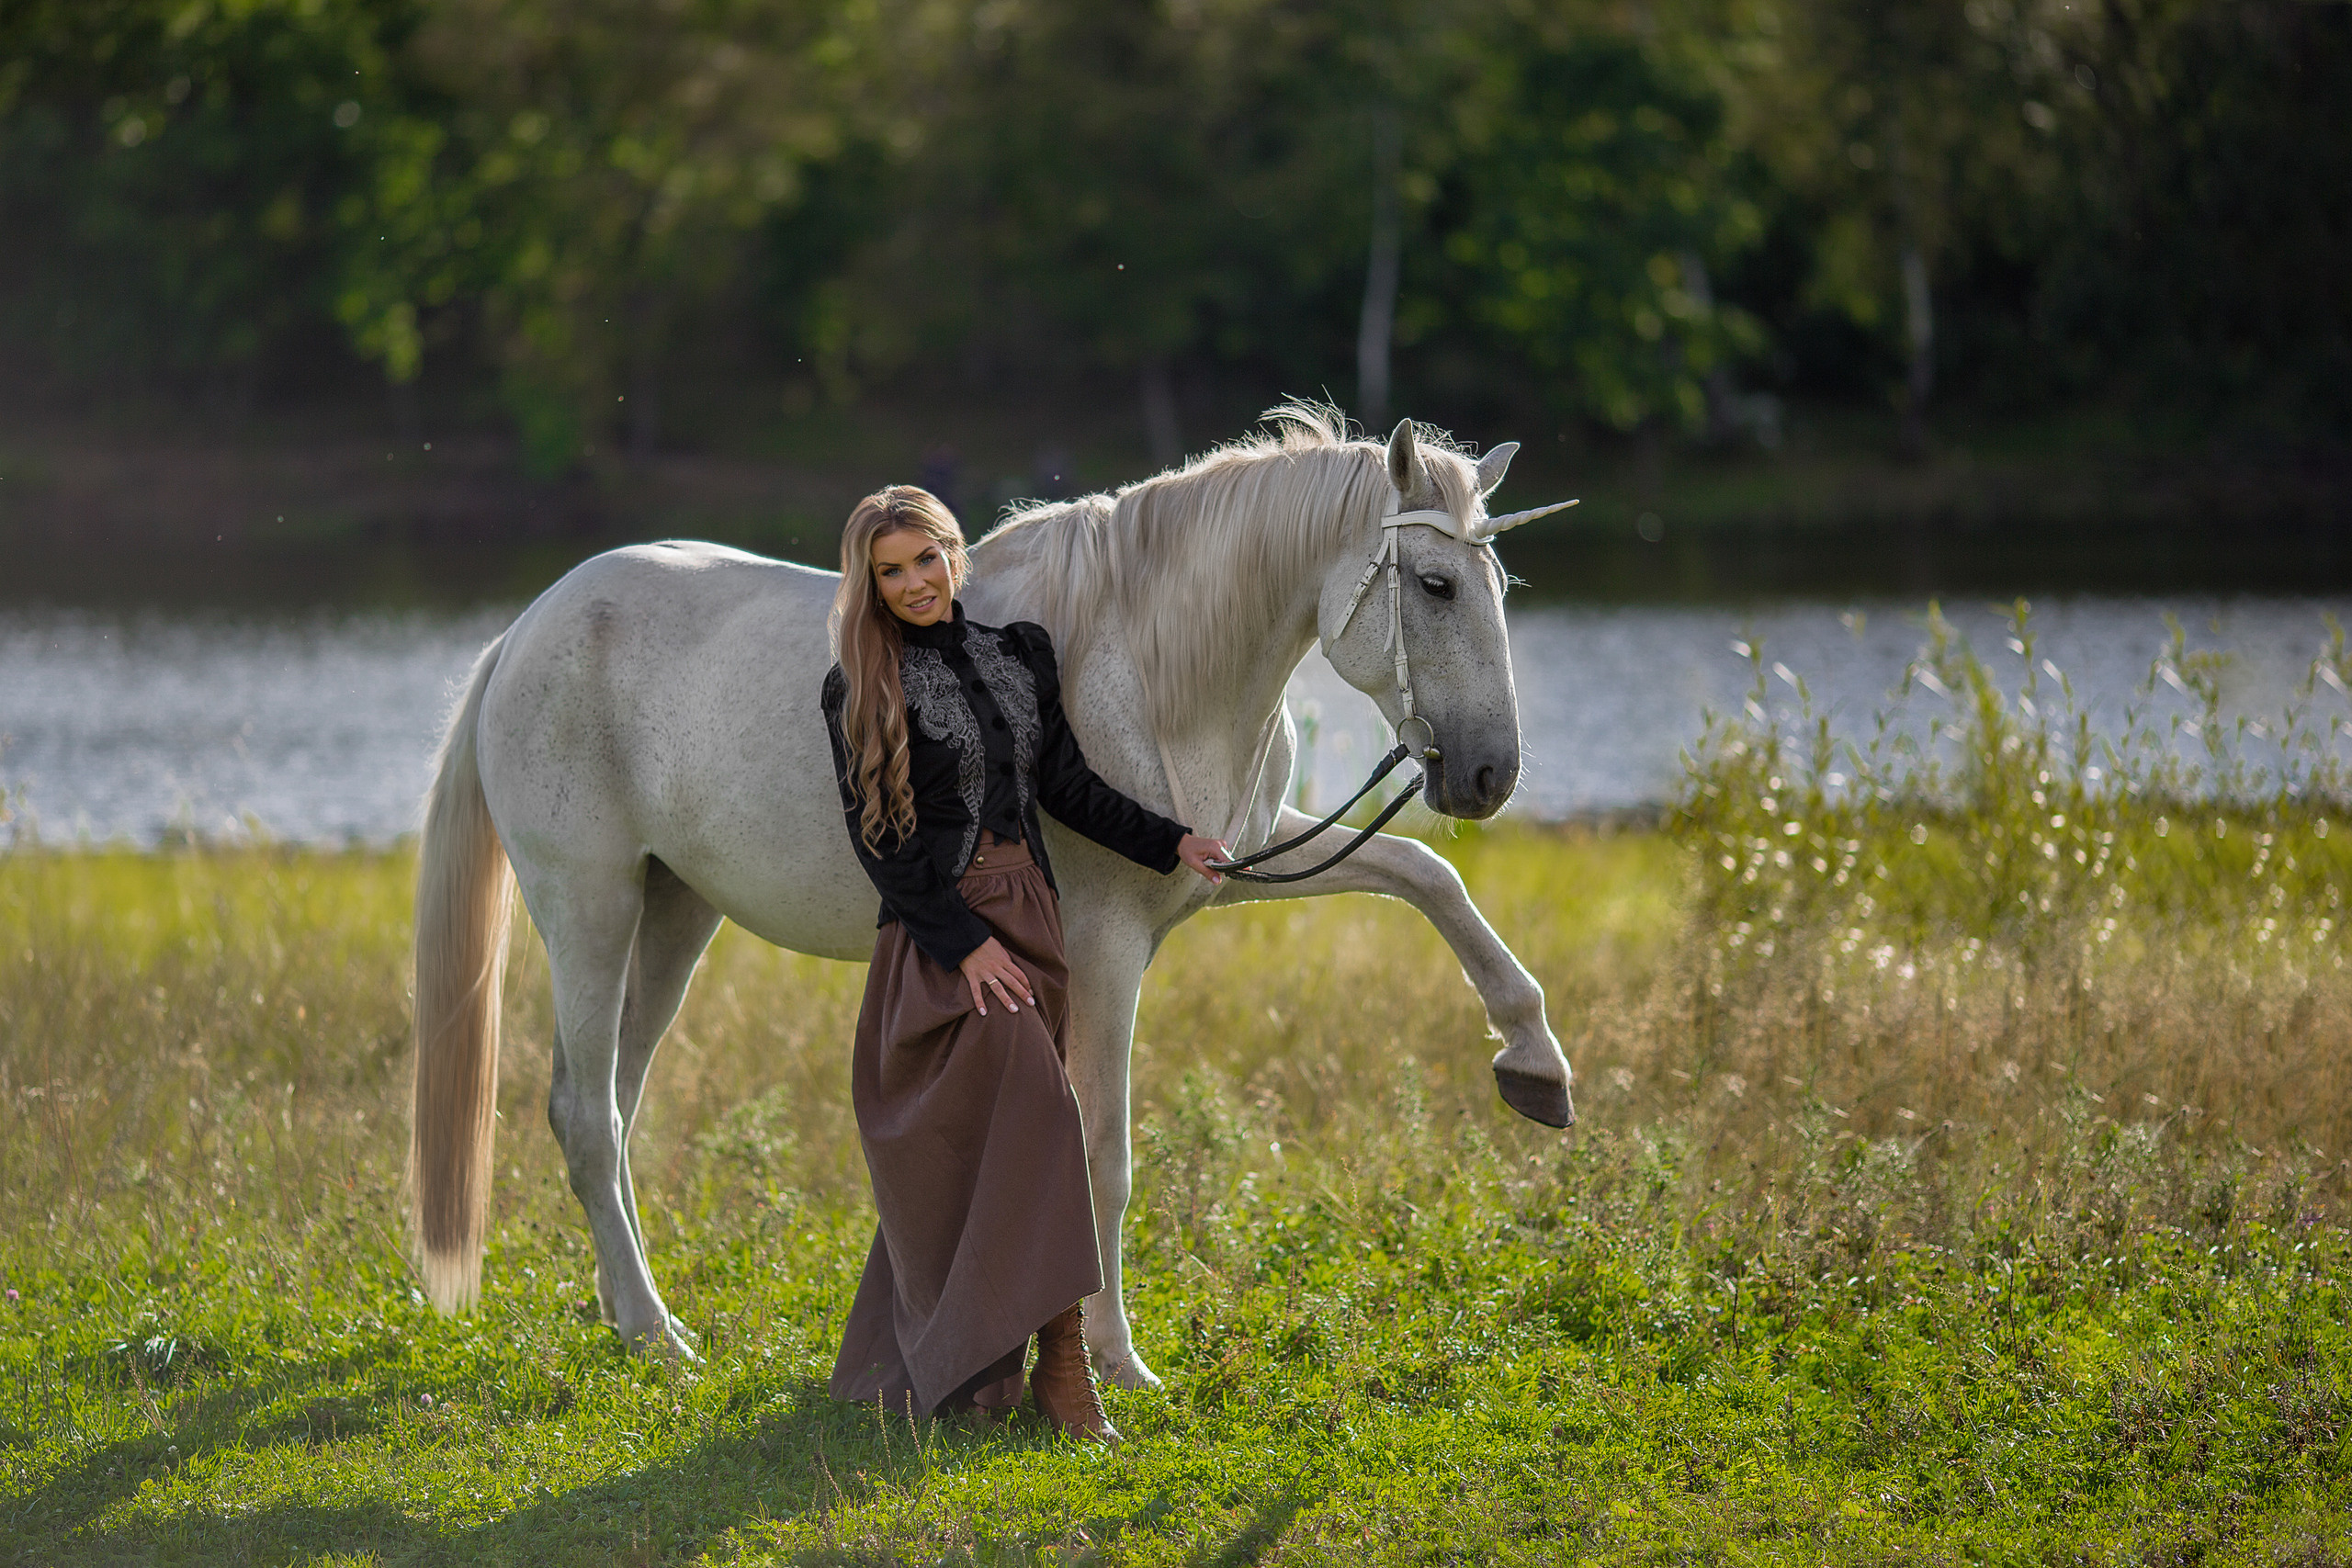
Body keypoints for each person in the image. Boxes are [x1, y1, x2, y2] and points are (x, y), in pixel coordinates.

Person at [820, 484, 1229, 1442]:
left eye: (926, 560)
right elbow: (880, 845)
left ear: (956, 557)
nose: (915, 583)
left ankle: (937, 1359)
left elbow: (1066, 788)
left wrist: (1173, 841)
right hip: (944, 943)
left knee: (1012, 1140)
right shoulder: (857, 684)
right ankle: (1063, 1367)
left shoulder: (1019, 656)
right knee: (1047, 1115)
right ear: (868, 582)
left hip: (1034, 919)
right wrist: (966, 951)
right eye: (891, 571)